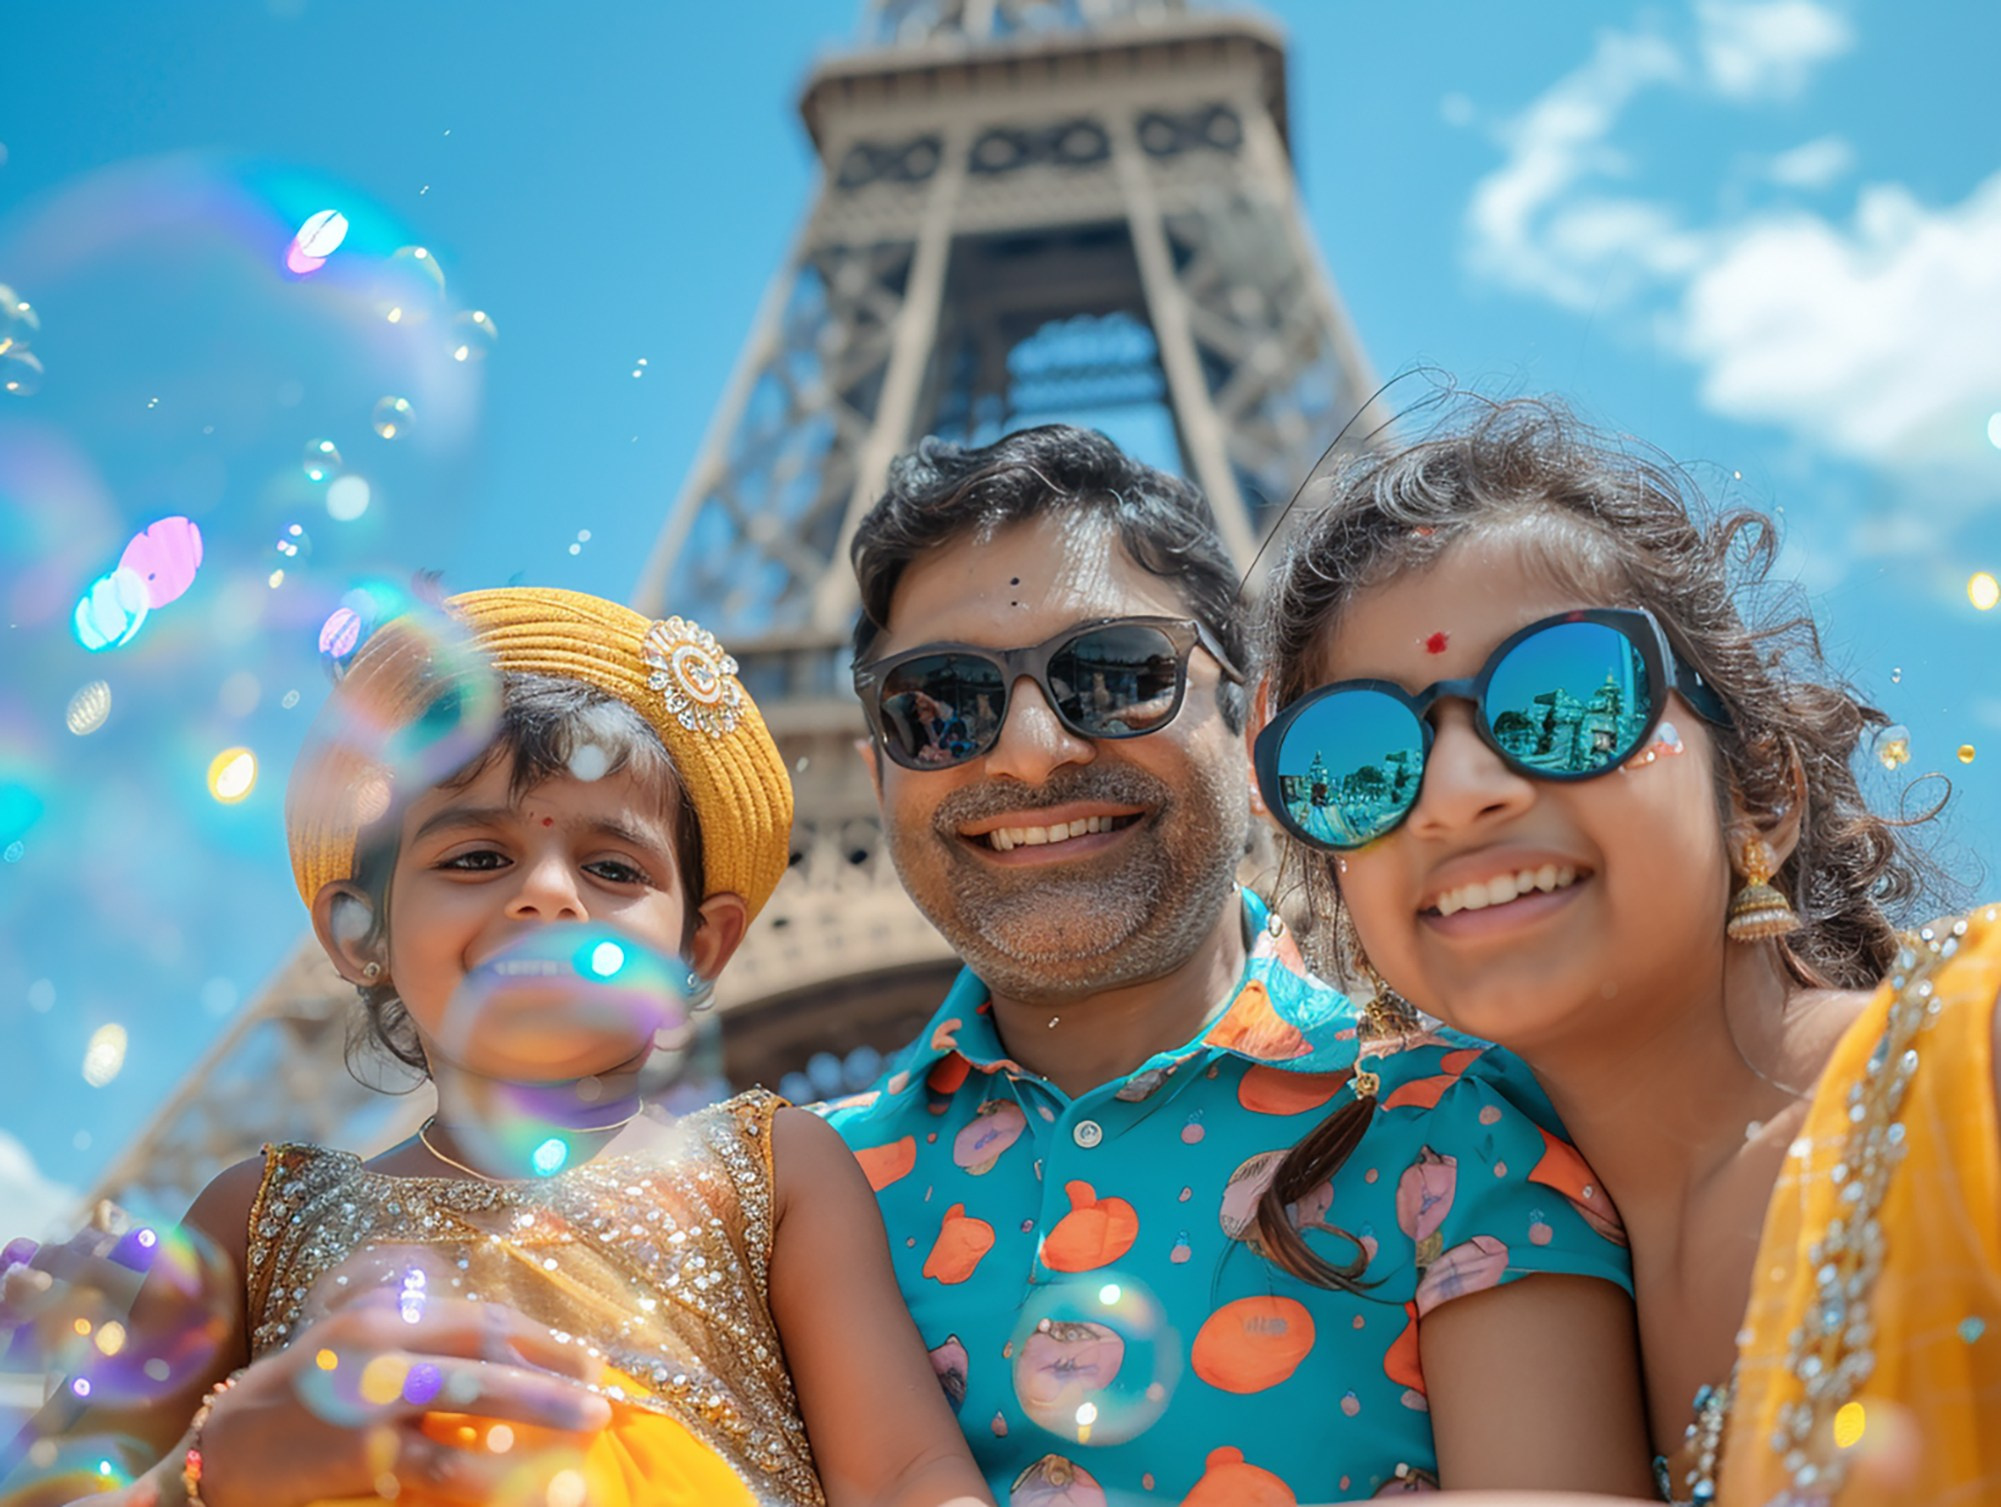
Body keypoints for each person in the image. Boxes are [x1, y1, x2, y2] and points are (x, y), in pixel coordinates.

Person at [820, 425, 1657, 1504]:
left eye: (1118, 673)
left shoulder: (1461, 1126)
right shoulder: (797, 1203)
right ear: (875, 773)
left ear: (1252, 721)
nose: (1031, 748)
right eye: (938, 706)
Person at [9, 588, 989, 1507]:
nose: (550, 894)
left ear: (700, 945)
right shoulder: (252, 1214)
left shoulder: (773, 1170)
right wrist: (210, 1474)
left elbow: (905, 1473)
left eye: (611, 866)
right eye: (477, 856)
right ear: (362, 936)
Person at [1250, 397, 2001, 1506]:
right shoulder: (1424, 1298)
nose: (1457, 795)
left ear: (1758, 800)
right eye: (1356, 761)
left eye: (1564, 700)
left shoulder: (1975, 1062)